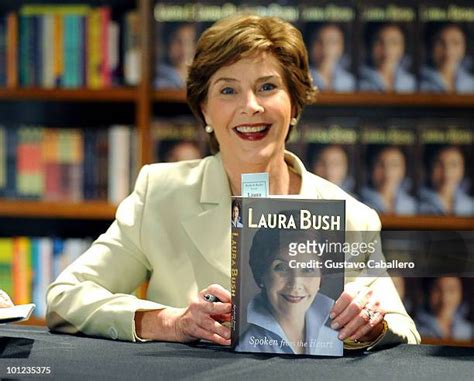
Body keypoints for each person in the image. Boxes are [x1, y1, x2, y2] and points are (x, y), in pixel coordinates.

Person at [46, 15, 420, 349]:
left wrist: (371, 325)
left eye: (268, 87)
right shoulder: (159, 194)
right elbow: (66, 297)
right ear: (205, 110)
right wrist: (170, 323)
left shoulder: (352, 216)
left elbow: (405, 332)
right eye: (228, 90)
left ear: (295, 105)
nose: (250, 106)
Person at [236, 222, 340, 355]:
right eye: (282, 268)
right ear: (262, 273)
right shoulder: (244, 348)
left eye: (308, 269)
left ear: (321, 277)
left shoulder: (335, 343)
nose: (295, 284)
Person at [359, 24, 416, 92]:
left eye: (394, 42)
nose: (386, 49)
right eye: (379, 42)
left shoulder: (411, 82)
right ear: (369, 46)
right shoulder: (359, 81)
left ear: (403, 48)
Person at [361, 146, 417, 215]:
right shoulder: (358, 203)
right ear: (370, 168)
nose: (387, 172)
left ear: (404, 169)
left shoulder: (412, 205)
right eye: (380, 165)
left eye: (394, 165)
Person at [419, 146, 473, 216]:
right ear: (429, 168)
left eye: (454, 165)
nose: (447, 173)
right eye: (439, 165)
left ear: (463, 169)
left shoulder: (470, 205)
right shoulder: (416, 203)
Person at [420, 23, 474, 93]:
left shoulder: (471, 82)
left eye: (456, 43)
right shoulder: (418, 82)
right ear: (430, 45)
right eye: (440, 43)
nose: (448, 50)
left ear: (465, 47)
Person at [308, 24, 355, 92]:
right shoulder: (302, 79)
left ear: (341, 47)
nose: (325, 47)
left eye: (332, 42)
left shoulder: (349, 81)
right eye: (319, 41)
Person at [155, 23, 197, 89]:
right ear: (168, 45)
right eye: (178, 41)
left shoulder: (198, 77)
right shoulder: (161, 82)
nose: (185, 48)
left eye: (190, 41)